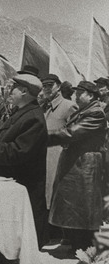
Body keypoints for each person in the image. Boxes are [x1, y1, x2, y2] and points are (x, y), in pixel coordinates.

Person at [0, 73, 48, 248]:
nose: (10, 91)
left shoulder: (34, 118)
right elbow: (7, 136)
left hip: (24, 185)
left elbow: (19, 152)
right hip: (14, 183)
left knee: (23, 244)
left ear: (24, 91)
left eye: (13, 88)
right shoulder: (23, 112)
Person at [48, 81, 108, 254]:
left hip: (85, 165)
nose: (75, 95)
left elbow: (70, 133)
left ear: (91, 95)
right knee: (74, 207)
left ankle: (84, 248)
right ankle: (77, 245)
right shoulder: (86, 110)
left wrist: (43, 137)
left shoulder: (95, 113)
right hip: (78, 164)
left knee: (82, 209)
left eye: (80, 92)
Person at [40, 74, 78, 215]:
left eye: (50, 85)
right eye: (44, 86)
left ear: (59, 86)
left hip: (58, 157)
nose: (47, 89)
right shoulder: (45, 107)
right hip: (43, 155)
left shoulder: (68, 106)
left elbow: (75, 134)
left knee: (55, 193)